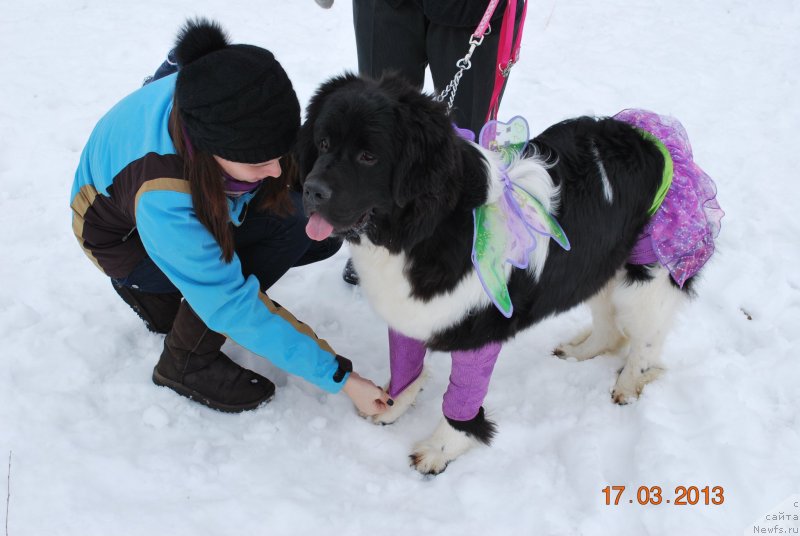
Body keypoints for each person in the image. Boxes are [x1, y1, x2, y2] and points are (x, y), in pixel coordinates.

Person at [70, 18, 391, 415]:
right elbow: (231, 305)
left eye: (279, 152)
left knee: (315, 231)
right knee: (290, 231)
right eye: (259, 162)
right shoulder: (163, 199)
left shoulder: (222, 93)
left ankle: (164, 296)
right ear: (213, 152)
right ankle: (186, 362)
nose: (276, 170)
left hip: (159, 206)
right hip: (125, 244)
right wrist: (341, 378)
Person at [325, 0, 527, 284]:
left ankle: (450, 246)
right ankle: (374, 238)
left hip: (471, 9)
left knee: (466, 137)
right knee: (374, 125)